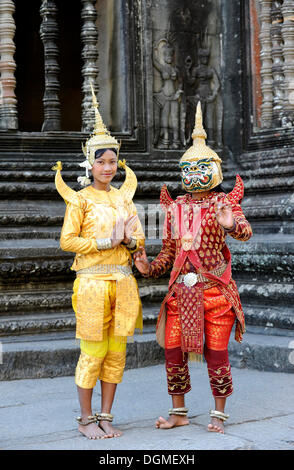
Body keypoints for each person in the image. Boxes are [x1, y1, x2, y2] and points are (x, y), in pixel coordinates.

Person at [134, 102, 252, 434]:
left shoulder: (225, 203)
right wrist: (146, 266)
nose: (194, 174)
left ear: (214, 168)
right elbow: (168, 254)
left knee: (217, 354)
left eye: (202, 167)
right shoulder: (175, 207)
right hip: (180, 294)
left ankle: (219, 414)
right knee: (173, 352)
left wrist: (231, 225)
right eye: (189, 167)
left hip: (214, 291)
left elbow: (245, 233)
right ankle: (179, 412)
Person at [52, 84, 145, 440]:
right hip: (91, 283)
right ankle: (86, 418)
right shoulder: (80, 201)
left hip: (122, 282)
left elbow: (138, 239)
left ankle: (107, 414)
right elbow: (67, 241)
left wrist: (132, 241)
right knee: (92, 352)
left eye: (112, 162)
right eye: (101, 162)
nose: (107, 168)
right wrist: (108, 239)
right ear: (89, 164)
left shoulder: (124, 199)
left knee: (116, 353)